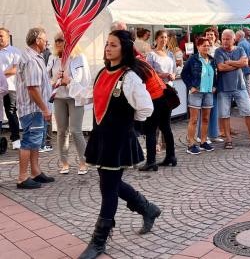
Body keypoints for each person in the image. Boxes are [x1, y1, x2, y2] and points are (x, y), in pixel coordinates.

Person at [79, 30, 159, 259]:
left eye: (113, 45)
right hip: (102, 138)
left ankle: (99, 240)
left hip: (119, 140)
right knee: (110, 183)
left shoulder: (130, 77)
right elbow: (90, 96)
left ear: (124, 49)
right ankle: (148, 208)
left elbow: (146, 109)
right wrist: (68, 84)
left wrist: (127, 124)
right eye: (107, 44)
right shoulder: (102, 72)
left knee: (108, 188)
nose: (108, 48)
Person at [15, 27, 55, 189]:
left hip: (34, 108)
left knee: (35, 142)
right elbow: (32, 88)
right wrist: (45, 108)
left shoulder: (33, 56)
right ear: (37, 40)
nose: (47, 42)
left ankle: (35, 172)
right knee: (29, 141)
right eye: (45, 39)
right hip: (33, 109)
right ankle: (22, 177)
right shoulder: (31, 59)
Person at [47, 33, 91, 175]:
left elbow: (84, 79)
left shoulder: (78, 57)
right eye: (56, 40)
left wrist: (69, 80)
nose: (59, 43)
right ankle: (64, 162)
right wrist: (55, 79)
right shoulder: (53, 58)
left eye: (62, 40)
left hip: (75, 97)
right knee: (61, 131)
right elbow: (48, 78)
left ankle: (84, 162)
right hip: (59, 97)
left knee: (76, 130)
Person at [215, 29, 250, 149]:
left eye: (228, 39)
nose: (225, 41)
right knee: (224, 114)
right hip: (223, 88)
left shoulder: (240, 49)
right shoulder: (218, 51)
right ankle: (228, 140)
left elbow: (245, 63)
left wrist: (229, 62)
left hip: (240, 86)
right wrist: (237, 64)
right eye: (223, 38)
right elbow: (221, 67)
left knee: (248, 112)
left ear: (234, 39)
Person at [140, 30, 176, 171]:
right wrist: (164, 74)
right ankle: (159, 158)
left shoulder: (171, 54)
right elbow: (149, 73)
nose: (164, 40)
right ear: (156, 39)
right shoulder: (151, 55)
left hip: (167, 92)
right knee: (155, 127)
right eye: (161, 37)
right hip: (156, 91)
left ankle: (163, 158)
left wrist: (171, 74)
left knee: (164, 126)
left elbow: (174, 69)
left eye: (166, 37)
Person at [182, 37, 217, 154]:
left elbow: (215, 75)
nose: (206, 47)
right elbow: (184, 74)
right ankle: (191, 144)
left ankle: (203, 142)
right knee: (194, 120)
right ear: (198, 47)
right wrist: (191, 86)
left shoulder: (212, 60)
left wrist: (215, 86)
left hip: (208, 93)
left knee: (206, 119)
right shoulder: (193, 59)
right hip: (196, 92)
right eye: (204, 45)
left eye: (208, 45)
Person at [0, 27, 21, 149]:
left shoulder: (15, 51)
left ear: (8, 37)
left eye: (1, 35)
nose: (0, 38)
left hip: (10, 87)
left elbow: (16, 69)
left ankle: (15, 139)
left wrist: (1, 74)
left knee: (11, 112)